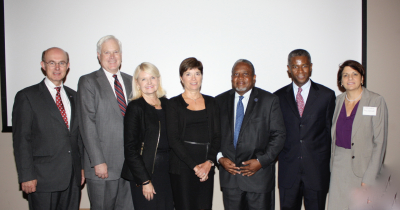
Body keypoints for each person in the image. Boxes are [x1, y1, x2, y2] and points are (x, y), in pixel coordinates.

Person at [12, 47, 84, 210]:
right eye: (52, 63)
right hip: (42, 179)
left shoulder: (75, 96)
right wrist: (26, 175)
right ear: (43, 65)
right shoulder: (27, 96)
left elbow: (77, 136)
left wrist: (81, 168)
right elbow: (21, 140)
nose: (57, 68)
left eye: (61, 63)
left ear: (68, 66)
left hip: (72, 178)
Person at [215, 59, 286, 210]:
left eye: (245, 74)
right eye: (236, 74)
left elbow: (279, 135)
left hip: (258, 178)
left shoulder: (269, 101)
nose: (240, 78)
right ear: (231, 78)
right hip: (231, 180)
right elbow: (212, 136)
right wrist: (219, 158)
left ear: (254, 77)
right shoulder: (218, 102)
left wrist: (261, 161)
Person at [274, 49, 336, 210]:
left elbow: (330, 133)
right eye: (295, 66)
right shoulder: (278, 97)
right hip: (289, 173)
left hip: (316, 172)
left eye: (304, 66)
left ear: (311, 67)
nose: (300, 71)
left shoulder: (326, 95)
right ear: (288, 68)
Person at [77, 35, 133, 210]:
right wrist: (97, 161)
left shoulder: (132, 81)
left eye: (115, 52)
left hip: (130, 167)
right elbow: (87, 124)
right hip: (103, 167)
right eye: (106, 52)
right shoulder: (88, 81)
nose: (112, 56)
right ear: (98, 55)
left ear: (121, 55)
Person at [327, 60, 388, 210]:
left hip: (364, 169)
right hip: (338, 168)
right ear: (340, 81)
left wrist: (369, 179)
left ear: (362, 78)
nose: (350, 78)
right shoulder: (337, 101)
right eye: (345, 75)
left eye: (355, 74)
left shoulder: (375, 101)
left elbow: (379, 142)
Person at [166, 57, 221, 210]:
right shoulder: (173, 104)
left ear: (202, 76)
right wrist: (195, 167)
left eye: (197, 73)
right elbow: (173, 139)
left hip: (206, 166)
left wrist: (209, 162)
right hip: (182, 167)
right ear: (181, 78)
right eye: (188, 74)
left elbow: (217, 136)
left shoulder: (212, 102)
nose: (193, 78)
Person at [121, 62, 173, 210]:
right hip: (146, 171)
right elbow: (130, 149)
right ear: (137, 83)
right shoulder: (135, 107)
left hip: (168, 171)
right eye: (143, 79)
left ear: (158, 79)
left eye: (152, 77)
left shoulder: (167, 104)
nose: (149, 82)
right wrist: (145, 181)